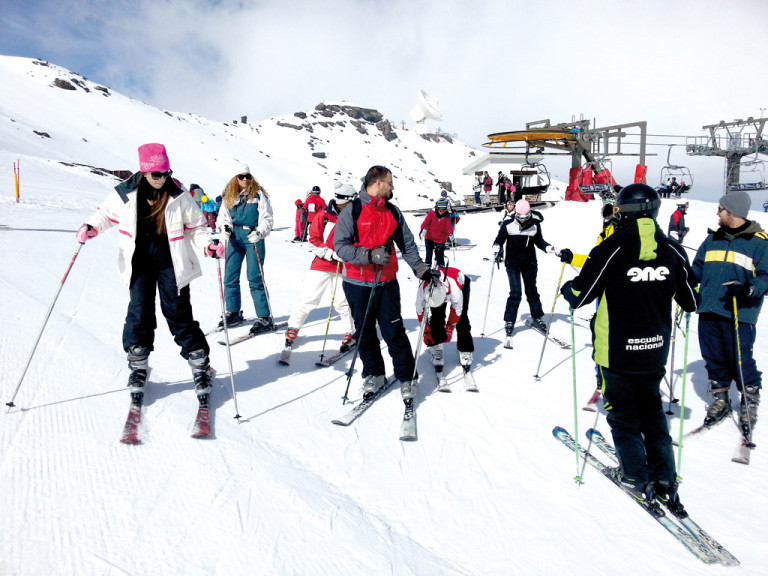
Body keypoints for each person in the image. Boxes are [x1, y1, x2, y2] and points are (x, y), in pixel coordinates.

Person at [561, 183, 698, 513]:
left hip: (617, 351)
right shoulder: (673, 250)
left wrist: (568, 289)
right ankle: (664, 478)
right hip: (654, 349)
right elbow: (692, 302)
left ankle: (635, 476)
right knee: (652, 412)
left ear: (625, 212)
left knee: (622, 415)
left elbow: (581, 294)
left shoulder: (612, 247)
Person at [75, 143, 222, 406]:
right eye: (157, 174)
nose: (163, 178)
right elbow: (104, 216)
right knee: (139, 313)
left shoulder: (178, 194)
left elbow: (197, 227)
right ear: (144, 171)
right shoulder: (125, 193)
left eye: (166, 172)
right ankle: (138, 365)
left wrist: (207, 245)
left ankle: (201, 367)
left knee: (178, 315)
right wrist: (92, 228)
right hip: (139, 265)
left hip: (172, 265)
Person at [334, 165, 438, 404]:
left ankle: (407, 376)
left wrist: (420, 269)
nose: (392, 187)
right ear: (378, 183)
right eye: (390, 183)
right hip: (357, 284)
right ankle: (374, 374)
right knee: (365, 332)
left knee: (394, 331)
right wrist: (369, 256)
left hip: (386, 283)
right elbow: (340, 246)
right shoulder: (352, 211)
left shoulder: (393, 212)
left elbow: (408, 245)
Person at [691, 191, 766, 434]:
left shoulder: (758, 242)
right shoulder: (713, 239)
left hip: (739, 313)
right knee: (713, 357)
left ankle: (749, 400)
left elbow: (767, 276)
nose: (717, 212)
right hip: (709, 308)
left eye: (721, 209)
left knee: (740, 358)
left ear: (732, 212)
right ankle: (720, 399)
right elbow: (697, 269)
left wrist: (749, 288)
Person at [285, 182, 357, 352]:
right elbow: (314, 238)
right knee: (309, 297)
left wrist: (347, 254)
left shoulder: (354, 218)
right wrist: (329, 253)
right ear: (345, 200)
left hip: (343, 266)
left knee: (342, 301)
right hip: (322, 263)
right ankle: (293, 327)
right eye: (353, 200)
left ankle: (350, 331)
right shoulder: (324, 216)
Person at [492, 199, 566, 343]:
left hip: (529, 264)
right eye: (520, 216)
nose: (523, 220)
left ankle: (537, 317)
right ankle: (509, 320)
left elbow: (540, 242)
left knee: (531, 291)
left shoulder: (535, 226)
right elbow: (499, 239)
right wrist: (496, 247)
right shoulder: (508, 225)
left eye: (526, 217)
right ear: (516, 214)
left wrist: (549, 248)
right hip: (512, 264)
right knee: (515, 293)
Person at [216, 163, 275, 335]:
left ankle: (264, 316)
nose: (244, 180)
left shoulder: (258, 195)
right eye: (241, 176)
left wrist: (260, 232)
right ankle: (233, 312)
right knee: (230, 276)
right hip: (234, 238)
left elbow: (267, 218)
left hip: (252, 237)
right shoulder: (229, 196)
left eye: (247, 176)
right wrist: (225, 228)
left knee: (254, 276)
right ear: (235, 178)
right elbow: (223, 217)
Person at [415, 265, 475, 379]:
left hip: (461, 283)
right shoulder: (423, 289)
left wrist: (449, 329)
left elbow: (457, 310)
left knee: (462, 319)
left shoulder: (454, 290)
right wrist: (426, 330)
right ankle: (435, 346)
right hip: (437, 290)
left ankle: (465, 348)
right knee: (437, 316)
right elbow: (419, 309)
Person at [419, 199, 454, 267]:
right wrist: (423, 228)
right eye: (440, 210)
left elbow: (449, 226)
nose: (441, 212)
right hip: (429, 237)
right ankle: (427, 267)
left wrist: (450, 234)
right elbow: (426, 222)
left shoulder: (446, 216)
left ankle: (440, 268)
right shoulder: (432, 213)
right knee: (429, 254)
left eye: (443, 210)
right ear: (437, 208)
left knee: (440, 254)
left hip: (440, 239)